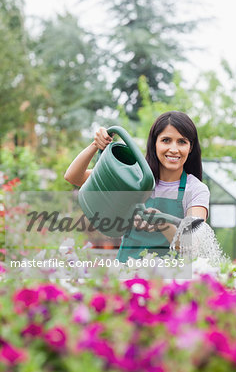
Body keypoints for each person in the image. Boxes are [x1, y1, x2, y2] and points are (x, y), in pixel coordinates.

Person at [64, 111, 210, 262]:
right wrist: (96, 144)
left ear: (190, 147)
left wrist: (162, 223)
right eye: (166, 140)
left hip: (170, 278)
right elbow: (73, 176)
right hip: (127, 273)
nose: (174, 149)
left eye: (182, 142)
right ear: (155, 143)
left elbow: (191, 245)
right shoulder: (135, 176)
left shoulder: (195, 190)